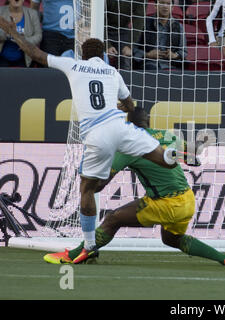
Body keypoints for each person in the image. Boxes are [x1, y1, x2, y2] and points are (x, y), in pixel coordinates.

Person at [0, 16, 183, 264]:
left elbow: (35, 52)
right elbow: (131, 106)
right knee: (163, 158)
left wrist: (13, 32)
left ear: (83, 55)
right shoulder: (112, 71)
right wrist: (123, 107)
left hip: (97, 134)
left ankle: (89, 247)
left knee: (87, 190)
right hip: (120, 125)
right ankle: (176, 152)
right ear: (103, 56)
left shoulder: (73, 65)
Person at [43, 108, 225, 267]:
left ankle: (78, 253)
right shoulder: (167, 135)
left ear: (127, 124)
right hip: (187, 200)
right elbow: (194, 156)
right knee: (172, 239)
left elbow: (100, 186)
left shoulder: (129, 145)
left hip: (168, 203)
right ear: (148, 121)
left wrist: (88, 176)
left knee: (113, 219)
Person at [132, 0, 187, 71]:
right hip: (148, 64)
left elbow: (183, 51)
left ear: (172, 7)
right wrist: (147, 55)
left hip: (171, 65)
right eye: (162, 3)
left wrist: (174, 55)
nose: (165, 6)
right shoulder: (144, 24)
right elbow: (133, 48)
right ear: (155, 6)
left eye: (168, 4)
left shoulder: (179, 26)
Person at [106, 0, 146, 70]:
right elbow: (100, 18)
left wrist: (129, 45)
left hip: (123, 30)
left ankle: (125, 80)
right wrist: (107, 45)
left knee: (126, 58)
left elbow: (139, 20)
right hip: (102, 28)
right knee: (99, 56)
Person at [0, 0, 41, 67]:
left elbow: (38, 35)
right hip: (2, 58)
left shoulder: (32, 13)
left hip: (25, 59)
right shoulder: (1, 11)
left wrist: (24, 41)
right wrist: (8, 32)